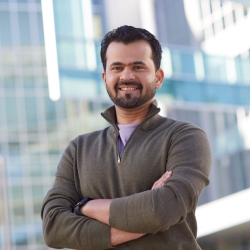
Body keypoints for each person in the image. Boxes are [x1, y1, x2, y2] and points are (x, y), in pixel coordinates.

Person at [41, 25, 212, 250]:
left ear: (158, 77)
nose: (127, 75)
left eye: (138, 66)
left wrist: (85, 207)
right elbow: (53, 228)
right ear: (105, 77)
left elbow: (163, 209)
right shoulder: (78, 150)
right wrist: (141, 218)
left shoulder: (184, 137)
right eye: (117, 67)